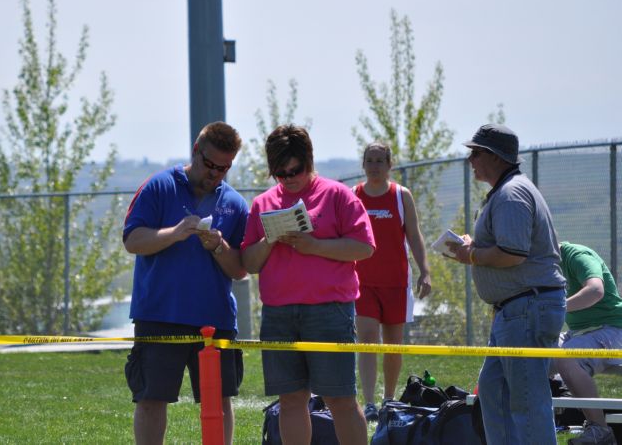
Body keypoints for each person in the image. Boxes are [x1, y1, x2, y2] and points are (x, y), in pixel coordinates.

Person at [241, 125, 376, 445]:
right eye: (280, 173)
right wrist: (269, 240)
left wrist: (314, 245)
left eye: (295, 170)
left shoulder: (337, 195)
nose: (288, 178)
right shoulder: (263, 203)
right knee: (290, 400)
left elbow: (364, 247)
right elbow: (249, 263)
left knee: (339, 399)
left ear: (309, 161)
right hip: (278, 314)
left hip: (330, 312)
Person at [122, 121, 249, 445]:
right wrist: (175, 233)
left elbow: (240, 270)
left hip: (215, 319)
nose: (215, 174)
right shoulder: (159, 186)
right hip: (159, 315)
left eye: (224, 168)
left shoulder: (234, 204)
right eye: (210, 164)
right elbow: (133, 240)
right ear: (196, 150)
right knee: (151, 400)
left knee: (219, 401)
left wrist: (219, 247)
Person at [447, 123, 566, 445]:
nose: (470, 160)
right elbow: (507, 246)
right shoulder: (510, 190)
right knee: (494, 390)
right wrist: (475, 247)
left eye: (476, 153)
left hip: (526, 307)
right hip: (517, 309)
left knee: (527, 401)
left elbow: (513, 254)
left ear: (496, 157)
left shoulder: (511, 194)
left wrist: (471, 255)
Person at [352, 142, 432, 421]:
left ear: (389, 165)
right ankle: (370, 401)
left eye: (379, 161)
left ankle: (389, 399)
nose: (374, 166)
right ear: (363, 164)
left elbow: (414, 235)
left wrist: (425, 270)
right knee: (367, 340)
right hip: (362, 281)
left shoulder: (401, 195)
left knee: (393, 344)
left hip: (396, 281)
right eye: (370, 160)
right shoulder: (354, 195)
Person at [554, 242, 622, 445]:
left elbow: (595, 291)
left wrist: (558, 308)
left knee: (566, 357)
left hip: (613, 329)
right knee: (534, 352)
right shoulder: (539, 266)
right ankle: (540, 422)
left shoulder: (578, 255)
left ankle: (600, 430)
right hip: (578, 333)